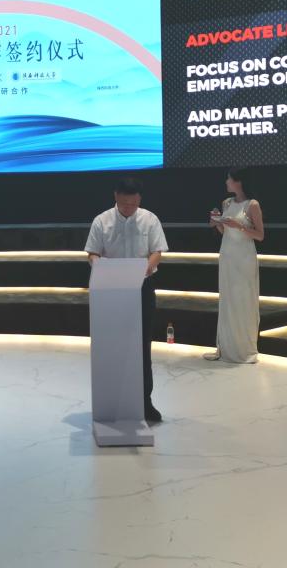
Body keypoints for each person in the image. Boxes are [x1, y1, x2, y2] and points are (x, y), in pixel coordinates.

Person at [85, 177, 169, 423]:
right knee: (111, 344)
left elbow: (157, 251)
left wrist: (146, 268)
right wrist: (100, 267)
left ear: (139, 199)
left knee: (142, 345)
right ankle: (110, 400)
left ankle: (145, 401)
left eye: (133, 204)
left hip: (142, 286)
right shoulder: (102, 221)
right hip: (110, 289)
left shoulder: (149, 219)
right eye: (124, 204)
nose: (129, 208)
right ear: (116, 197)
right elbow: (92, 252)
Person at [205, 167, 264, 363]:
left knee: (243, 299)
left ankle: (244, 349)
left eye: (229, 179)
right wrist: (218, 222)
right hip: (227, 254)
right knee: (228, 299)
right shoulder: (227, 203)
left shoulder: (252, 205)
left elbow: (260, 235)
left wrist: (239, 226)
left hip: (244, 257)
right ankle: (227, 347)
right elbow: (226, 232)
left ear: (238, 181)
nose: (226, 182)